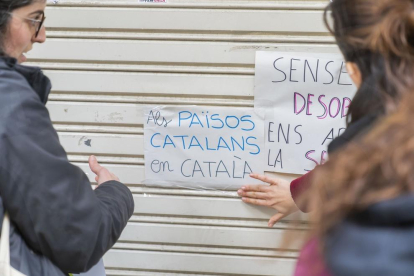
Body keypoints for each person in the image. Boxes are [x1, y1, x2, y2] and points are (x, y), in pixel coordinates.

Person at [238, 0, 412, 228]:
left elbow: (363, 155)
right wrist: (301, 192)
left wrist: (304, 193)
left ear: (354, 70)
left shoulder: (372, 139)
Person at [0, 0, 134, 275]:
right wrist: (115, 192)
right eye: (34, 19)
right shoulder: (8, 101)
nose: (41, 35)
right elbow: (77, 239)